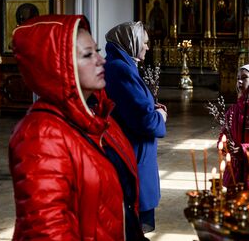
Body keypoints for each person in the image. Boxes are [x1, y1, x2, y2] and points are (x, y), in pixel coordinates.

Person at [9, 15, 146, 240]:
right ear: (58, 65)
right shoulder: (41, 135)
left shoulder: (101, 117)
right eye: (87, 55)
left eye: (97, 51)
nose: (101, 61)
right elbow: (47, 230)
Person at [104, 21, 167, 234]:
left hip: (136, 154)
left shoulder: (124, 65)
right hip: (134, 156)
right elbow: (145, 122)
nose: (148, 48)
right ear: (132, 42)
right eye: (145, 43)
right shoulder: (120, 69)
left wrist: (151, 106)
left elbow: (132, 106)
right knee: (132, 228)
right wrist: (160, 116)